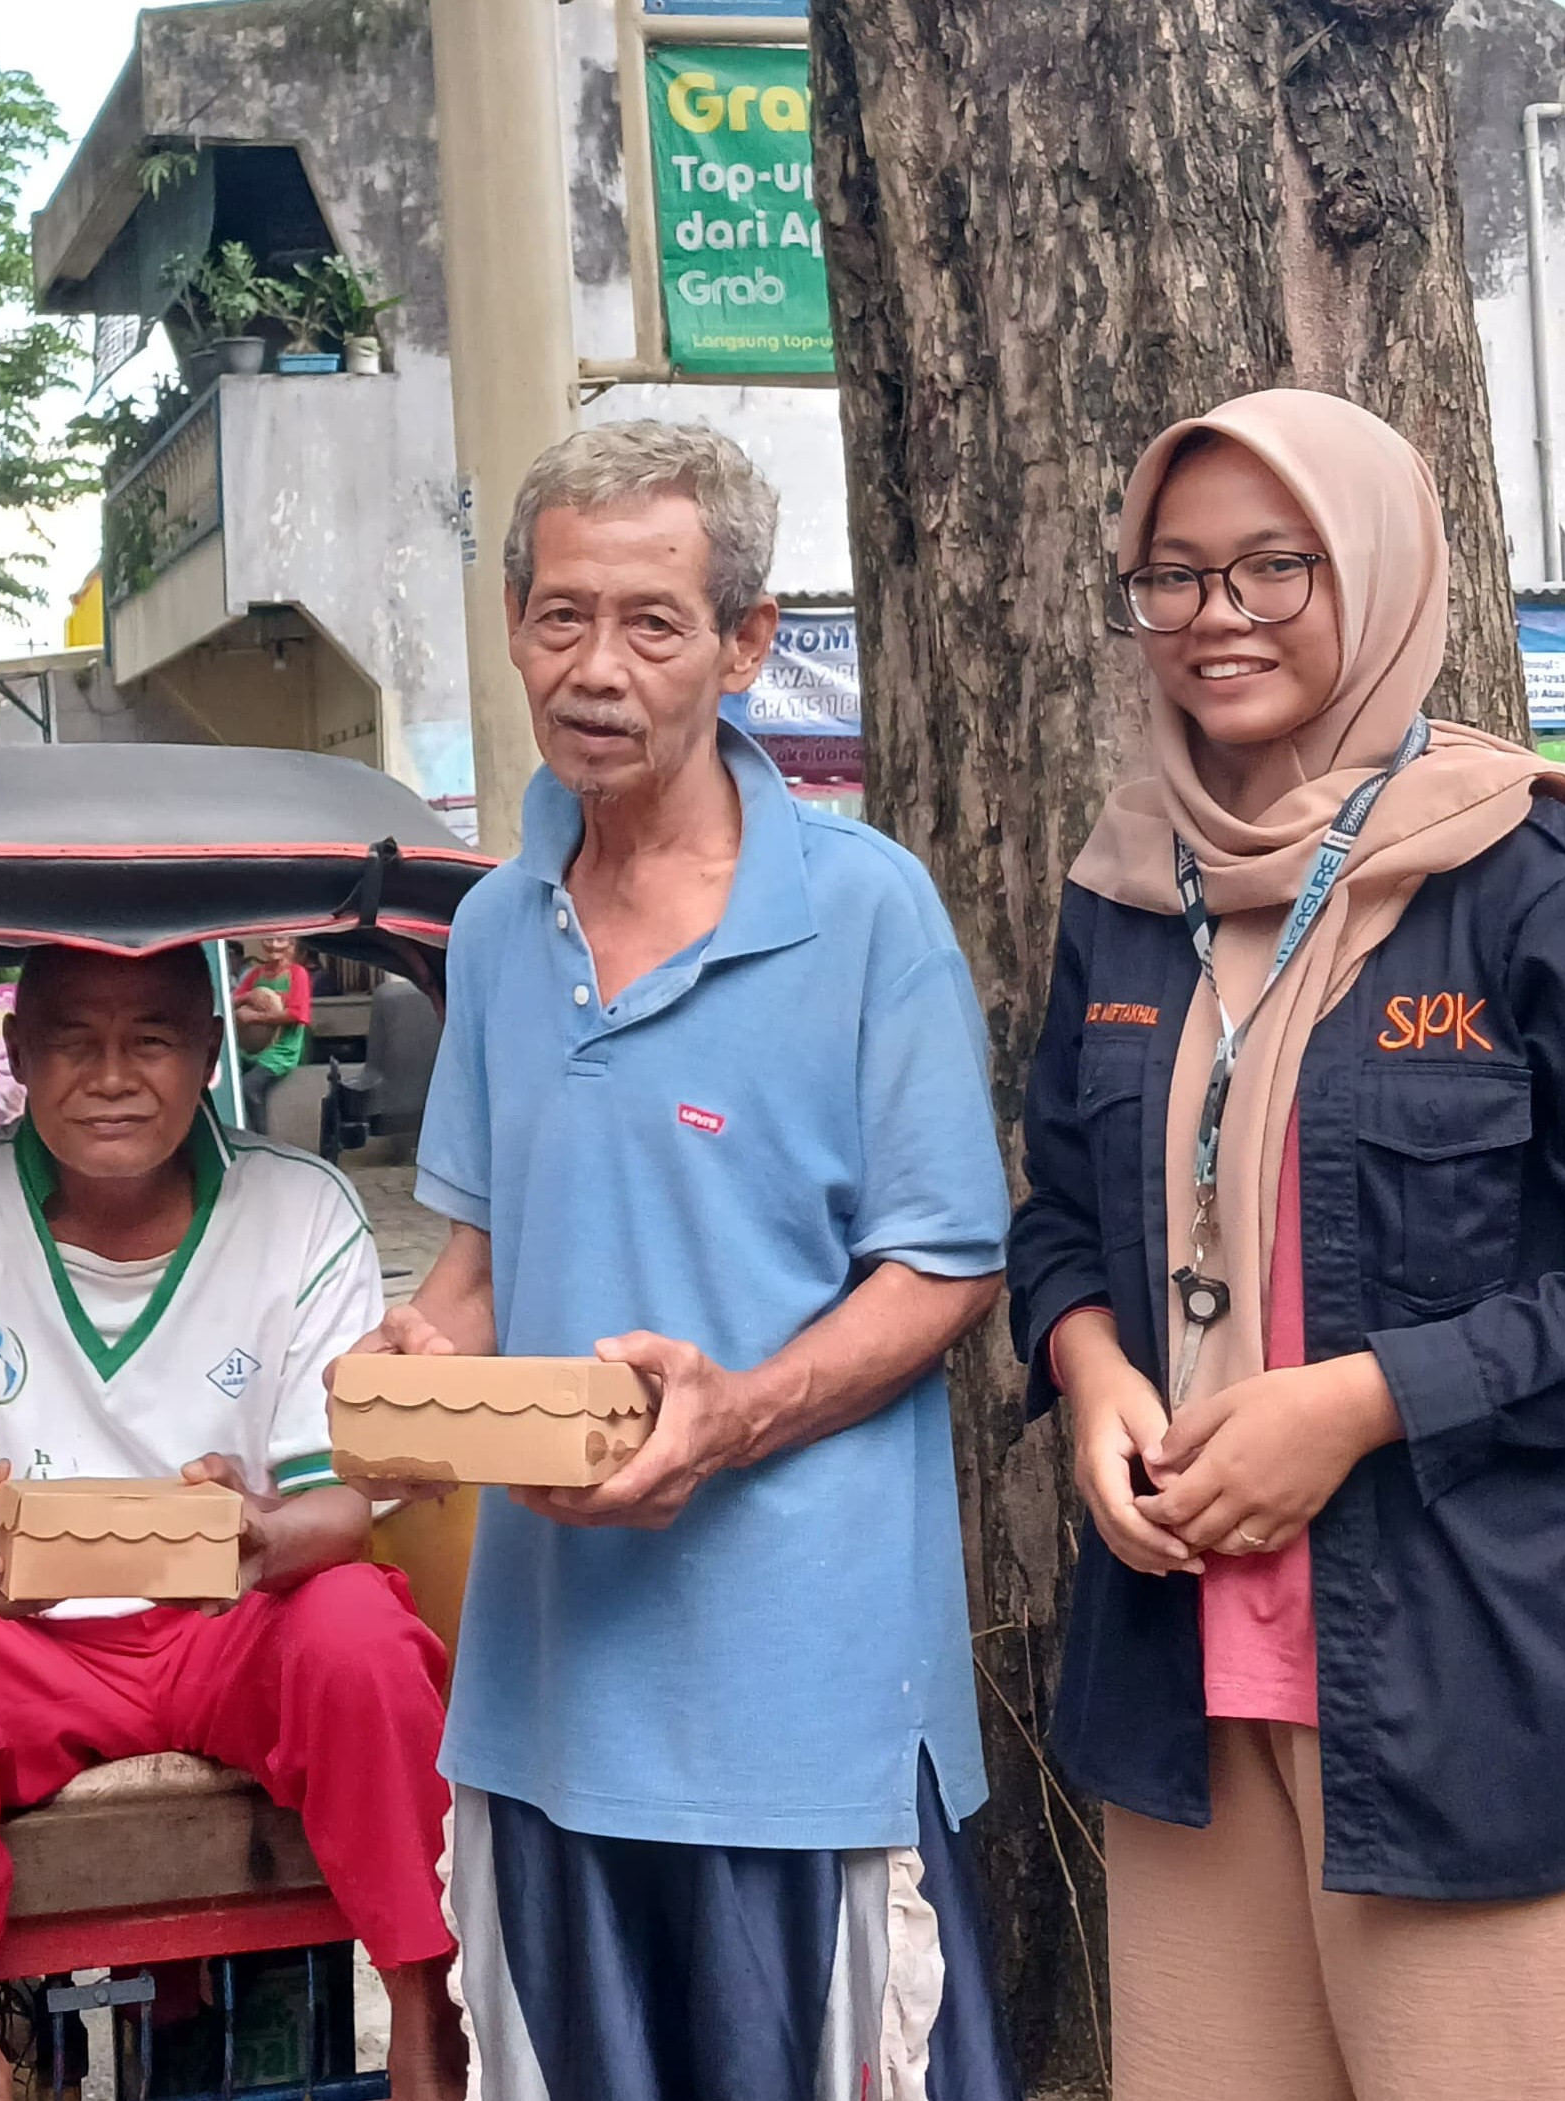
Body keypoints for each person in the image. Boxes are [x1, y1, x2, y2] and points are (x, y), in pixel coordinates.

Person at [1009, 391, 1565, 2101]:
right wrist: (1083, 1376)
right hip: (1182, 1705)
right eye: (1171, 575)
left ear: (1370, 572)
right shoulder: (1120, 891)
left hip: (1476, 1695)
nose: (1214, 618)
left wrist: (1363, 1402)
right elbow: (1058, 1216)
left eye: (1269, 568)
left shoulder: (1541, 874)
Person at [352, 421, 1017, 2100]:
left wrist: (735, 1414)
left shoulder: (866, 912)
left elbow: (943, 1269)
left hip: (803, 1697)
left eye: (651, 624)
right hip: (547, 1688)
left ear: (738, 643)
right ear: (508, 623)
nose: (595, 668)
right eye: (559, 616)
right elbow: (482, 1266)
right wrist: (411, 1366)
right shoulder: (499, 926)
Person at [0, 943, 464, 2101]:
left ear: (208, 1051)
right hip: (16, 1637)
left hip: (228, 1625)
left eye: (150, 1038)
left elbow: (341, 1499)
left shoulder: (303, 1209)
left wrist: (262, 1541)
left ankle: (424, 2011)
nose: (112, 1076)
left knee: (359, 1625)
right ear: (14, 1055)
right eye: (71, 1041)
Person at [229, 933, 313, 1137]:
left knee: (249, 1088)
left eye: (280, 940)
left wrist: (256, 1018)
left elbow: (297, 1014)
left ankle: (262, 1139)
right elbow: (231, 998)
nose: (273, 945)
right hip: (250, 1049)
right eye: (268, 939)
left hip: (282, 1051)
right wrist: (248, 997)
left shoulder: (297, 973)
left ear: (291, 944)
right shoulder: (256, 974)